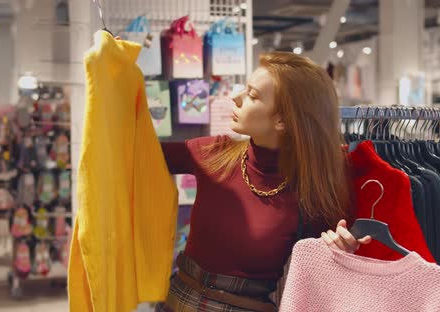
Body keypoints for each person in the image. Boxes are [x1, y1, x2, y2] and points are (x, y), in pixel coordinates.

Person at [156, 52, 371, 312]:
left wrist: (339, 252)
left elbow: (321, 285)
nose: (235, 98)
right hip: (178, 302)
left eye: (252, 95)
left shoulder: (315, 192)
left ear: (282, 120)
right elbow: (135, 153)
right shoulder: (215, 154)